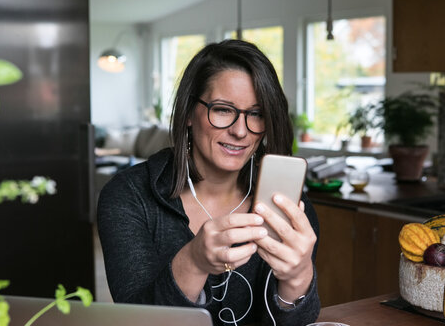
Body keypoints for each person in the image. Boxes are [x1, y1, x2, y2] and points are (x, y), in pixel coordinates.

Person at [97, 39, 320, 326]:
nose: (241, 131)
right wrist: (194, 262)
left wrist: (298, 277)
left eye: (257, 113)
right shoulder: (128, 197)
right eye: (223, 109)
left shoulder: (290, 208)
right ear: (189, 112)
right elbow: (139, 321)